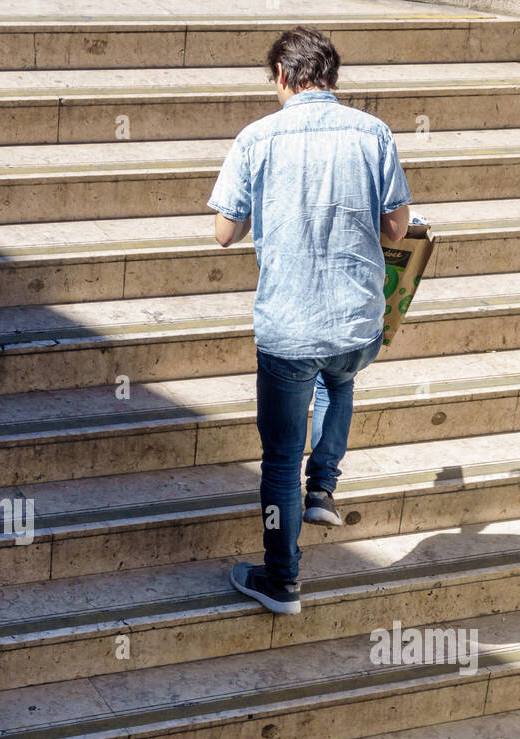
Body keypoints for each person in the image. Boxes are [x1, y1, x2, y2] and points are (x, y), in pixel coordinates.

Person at [208, 25, 411, 615]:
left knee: (276, 458)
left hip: (290, 327)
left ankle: (282, 578)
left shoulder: (256, 138)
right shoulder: (373, 132)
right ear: (332, 77)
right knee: (340, 380)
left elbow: (224, 231)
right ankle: (322, 487)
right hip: (356, 321)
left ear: (282, 76)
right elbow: (396, 228)